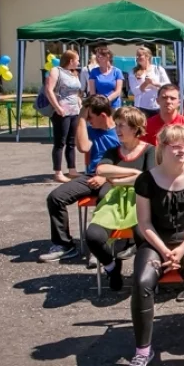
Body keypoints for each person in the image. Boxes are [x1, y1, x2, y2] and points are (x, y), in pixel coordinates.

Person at [122, 124, 184, 366]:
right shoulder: (146, 180)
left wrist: (181, 250)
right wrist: (164, 250)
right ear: (162, 147)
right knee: (142, 283)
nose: (183, 151)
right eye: (176, 146)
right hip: (156, 242)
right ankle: (142, 351)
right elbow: (144, 223)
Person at [39, 95, 121, 262]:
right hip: (91, 176)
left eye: (90, 117)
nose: (88, 121)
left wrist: (105, 177)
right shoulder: (90, 129)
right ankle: (64, 245)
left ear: (103, 116)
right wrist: (82, 118)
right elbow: (83, 147)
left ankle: (101, 247)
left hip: (114, 177)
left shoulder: (121, 130)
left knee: (106, 198)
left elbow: (128, 161)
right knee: (55, 198)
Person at [85, 107, 156, 291]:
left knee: (143, 234)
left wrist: (117, 180)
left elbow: (148, 178)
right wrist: (134, 172)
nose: (117, 129)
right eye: (116, 125)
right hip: (113, 202)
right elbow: (101, 170)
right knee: (93, 236)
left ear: (135, 127)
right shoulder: (112, 151)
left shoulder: (149, 150)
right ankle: (111, 267)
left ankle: (144, 275)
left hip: (140, 201)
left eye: (121, 125)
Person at [45, 49, 83, 183]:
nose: (79, 62)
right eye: (77, 60)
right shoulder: (56, 71)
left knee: (71, 142)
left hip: (74, 111)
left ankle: (72, 169)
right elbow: (49, 89)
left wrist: (79, 99)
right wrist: (57, 107)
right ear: (71, 60)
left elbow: (76, 91)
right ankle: (58, 172)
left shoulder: (74, 73)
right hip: (62, 111)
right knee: (60, 142)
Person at [127, 47, 170, 119]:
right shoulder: (133, 72)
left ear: (147, 56)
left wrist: (154, 83)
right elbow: (134, 91)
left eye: (140, 55)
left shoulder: (158, 69)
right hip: (141, 107)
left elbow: (168, 86)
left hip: (157, 106)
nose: (137, 57)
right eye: (137, 55)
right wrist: (145, 83)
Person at [86, 45, 124, 110]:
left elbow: (118, 91)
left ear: (107, 56)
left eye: (99, 56)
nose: (97, 59)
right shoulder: (94, 72)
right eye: (97, 56)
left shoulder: (117, 71)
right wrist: (99, 103)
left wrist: (106, 100)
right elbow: (92, 92)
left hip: (114, 106)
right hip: (99, 106)